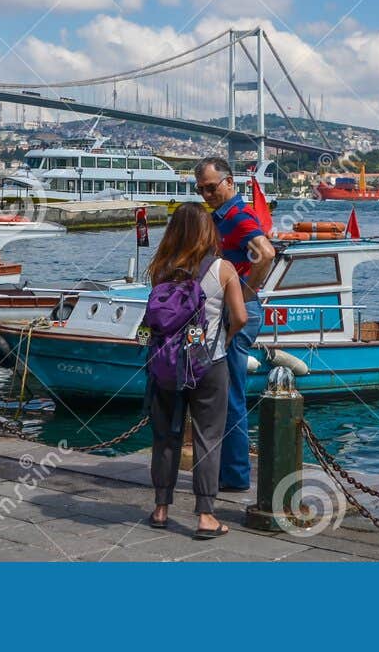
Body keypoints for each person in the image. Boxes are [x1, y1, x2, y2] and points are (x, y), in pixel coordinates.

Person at [144, 202, 246, 538]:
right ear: (208, 232)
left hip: (166, 364)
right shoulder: (223, 269)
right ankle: (205, 516)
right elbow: (241, 317)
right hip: (207, 363)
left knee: (166, 437)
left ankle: (161, 509)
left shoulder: (160, 268)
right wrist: (223, 341)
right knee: (208, 438)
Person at [193, 157, 276, 492]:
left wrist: (242, 292)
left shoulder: (238, 216)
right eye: (200, 189)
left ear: (230, 182)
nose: (206, 194)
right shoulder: (220, 218)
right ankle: (228, 473)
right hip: (230, 310)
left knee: (230, 394)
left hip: (238, 312)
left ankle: (235, 477)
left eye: (211, 187)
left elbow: (266, 253)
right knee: (224, 392)